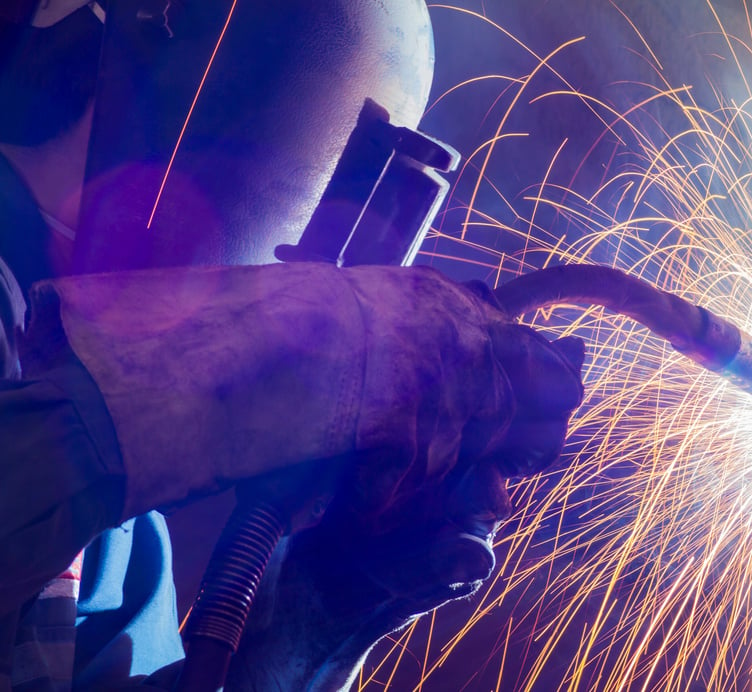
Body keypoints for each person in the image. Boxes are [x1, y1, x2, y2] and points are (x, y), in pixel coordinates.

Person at [0, 2, 585, 689]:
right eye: (257, 112)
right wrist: (213, 393)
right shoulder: (75, 441)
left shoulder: (114, 539)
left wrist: (317, 620)